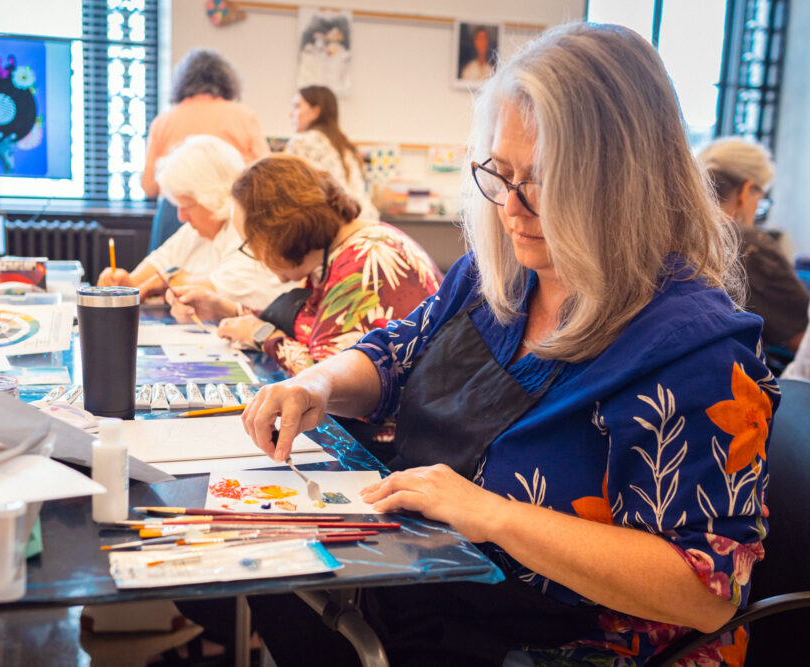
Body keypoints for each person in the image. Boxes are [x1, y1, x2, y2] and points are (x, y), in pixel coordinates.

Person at [238, 23, 776, 665]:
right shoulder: (498, 277)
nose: (511, 207)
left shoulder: (695, 350)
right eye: (499, 172)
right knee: (269, 583)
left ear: (627, 180)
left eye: (544, 179)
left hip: (569, 642)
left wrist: (488, 514)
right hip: (435, 592)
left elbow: (707, 588)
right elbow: (395, 354)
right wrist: (317, 384)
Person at [169, 154, 440, 453]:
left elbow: (322, 384)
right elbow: (313, 327)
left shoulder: (367, 262)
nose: (256, 256)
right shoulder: (344, 249)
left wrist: (264, 336)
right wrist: (224, 308)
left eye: (252, 242)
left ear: (281, 232)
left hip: (390, 446)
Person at [98, 135, 291, 310]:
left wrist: (166, 280)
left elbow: (217, 288)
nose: (181, 217)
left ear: (212, 197)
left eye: (187, 206)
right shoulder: (194, 231)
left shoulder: (245, 229)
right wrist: (124, 283)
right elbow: (150, 273)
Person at [141, 49, 270, 251]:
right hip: (225, 217)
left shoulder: (164, 121)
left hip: (174, 214)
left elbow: (149, 187)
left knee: (162, 277)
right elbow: (264, 175)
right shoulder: (244, 116)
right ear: (227, 82)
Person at [698, 137, 809, 353]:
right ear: (747, 190)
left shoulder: (684, 234)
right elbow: (801, 337)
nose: (758, 206)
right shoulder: (747, 244)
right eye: (760, 196)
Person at [285, 85, 379, 220]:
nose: (291, 114)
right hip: (365, 222)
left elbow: (291, 194)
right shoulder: (344, 145)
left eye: (297, 106)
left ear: (315, 112)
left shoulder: (301, 142)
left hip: (336, 225)